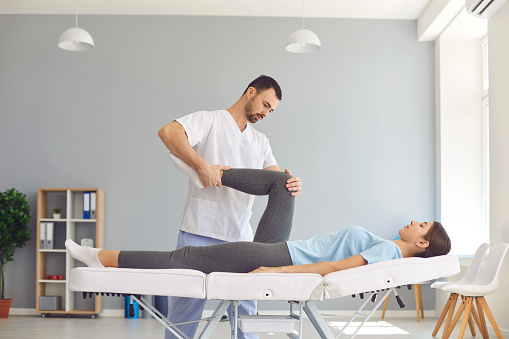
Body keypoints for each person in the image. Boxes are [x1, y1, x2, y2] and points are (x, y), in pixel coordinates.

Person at [67, 168, 451, 278]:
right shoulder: (384, 247)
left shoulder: (385, 250)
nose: (414, 221)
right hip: (282, 247)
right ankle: (214, 172)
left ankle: (100, 256)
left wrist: (274, 271)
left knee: (184, 257)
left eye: (422, 225)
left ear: (422, 243)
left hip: (279, 256)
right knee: (283, 182)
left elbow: (333, 269)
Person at [157, 75, 302, 339]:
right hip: (200, 230)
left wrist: (289, 183)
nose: (267, 113)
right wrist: (202, 166)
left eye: (271, 110)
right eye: (265, 105)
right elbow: (169, 133)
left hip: (240, 238)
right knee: (184, 313)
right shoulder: (210, 120)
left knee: (247, 314)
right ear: (250, 92)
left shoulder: (261, 142)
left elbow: (274, 179)